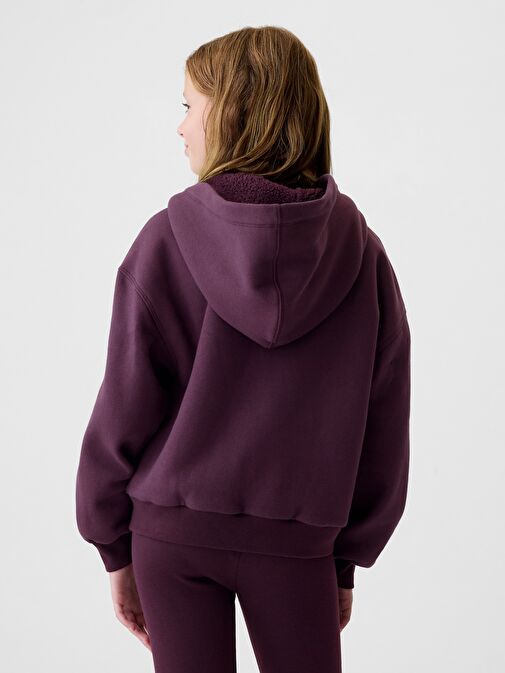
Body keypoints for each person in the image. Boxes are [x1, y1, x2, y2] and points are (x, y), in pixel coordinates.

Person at [75, 25, 411, 673]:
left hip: (171, 535)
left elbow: (124, 404)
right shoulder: (360, 254)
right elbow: (384, 417)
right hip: (298, 545)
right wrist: (346, 556)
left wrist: (112, 545)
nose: (180, 128)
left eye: (188, 106)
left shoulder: (165, 240)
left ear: (231, 113)